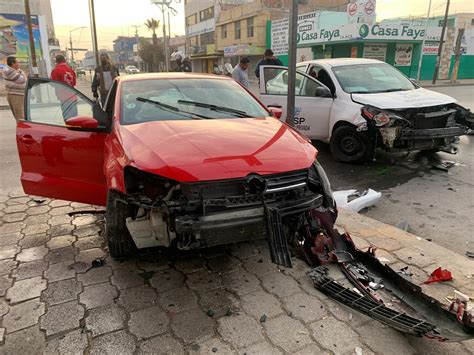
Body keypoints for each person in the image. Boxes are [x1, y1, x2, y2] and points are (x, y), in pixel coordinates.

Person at [51, 54, 78, 119]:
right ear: (64, 60)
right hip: (73, 96)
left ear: (56, 62)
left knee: (67, 118)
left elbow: (53, 84)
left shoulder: (55, 70)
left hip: (63, 97)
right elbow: (74, 83)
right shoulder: (70, 70)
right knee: (74, 118)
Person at [3, 56, 26, 121]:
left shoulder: (15, 71)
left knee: (21, 115)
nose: (18, 64)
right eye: (17, 62)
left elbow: (23, 79)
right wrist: (22, 73)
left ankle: (22, 129)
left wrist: (21, 73)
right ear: (13, 64)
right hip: (15, 95)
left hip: (18, 95)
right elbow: (22, 80)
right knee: (20, 116)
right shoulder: (9, 71)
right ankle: (22, 130)